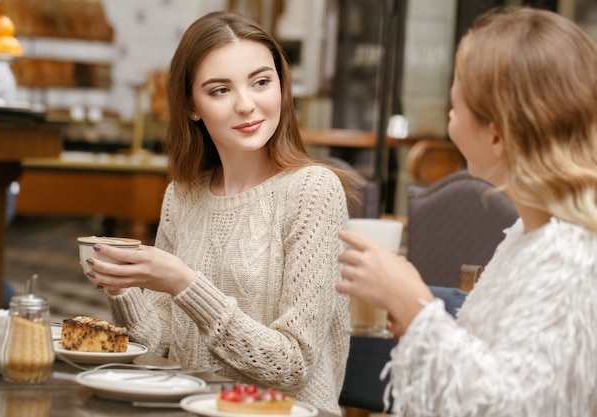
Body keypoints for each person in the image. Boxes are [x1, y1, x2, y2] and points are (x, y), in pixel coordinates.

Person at [83, 10, 360, 414]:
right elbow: (156, 349)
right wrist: (122, 287)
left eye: (261, 82)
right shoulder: (182, 195)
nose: (247, 105)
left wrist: (184, 284)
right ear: (192, 105)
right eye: (219, 91)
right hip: (187, 408)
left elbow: (292, 366)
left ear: (282, 87)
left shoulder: (312, 191)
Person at [336, 6, 597, 416]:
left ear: (496, 135)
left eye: (455, 108)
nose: (448, 119)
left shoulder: (572, 255)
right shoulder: (531, 236)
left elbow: (511, 407)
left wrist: (415, 306)